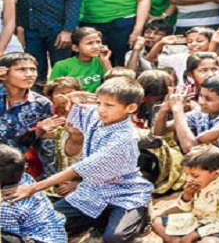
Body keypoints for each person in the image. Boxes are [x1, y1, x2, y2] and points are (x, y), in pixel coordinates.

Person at [4, 77, 154, 242]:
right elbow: (63, 101)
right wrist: (73, 97)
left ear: (130, 108)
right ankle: (99, 220)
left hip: (125, 192)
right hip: (91, 191)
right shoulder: (97, 115)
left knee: (115, 237)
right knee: (47, 222)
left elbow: (78, 169)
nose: (101, 109)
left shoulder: (124, 137)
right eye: (99, 103)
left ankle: (140, 215)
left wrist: (33, 188)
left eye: (109, 105)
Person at [150, 145, 219, 242]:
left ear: (216, 174)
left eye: (195, 175)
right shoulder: (198, 184)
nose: (189, 179)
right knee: (157, 223)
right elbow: (186, 209)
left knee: (209, 242)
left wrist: (196, 233)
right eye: (187, 174)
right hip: (199, 221)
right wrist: (187, 196)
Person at [0, 52, 57, 179]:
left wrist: (51, 178)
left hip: (16, 169)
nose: (30, 75)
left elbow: (45, 145)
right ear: (3, 74)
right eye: (21, 70)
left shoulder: (41, 104)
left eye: (33, 69)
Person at [155, 74, 219, 153]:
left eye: (208, 99)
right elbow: (159, 132)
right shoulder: (201, 112)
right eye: (200, 95)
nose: (201, 102)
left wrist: (178, 111)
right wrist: (164, 109)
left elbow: (191, 150)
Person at [0, 144, 67, 243]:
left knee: (5, 237)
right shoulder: (26, 178)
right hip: (56, 233)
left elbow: (12, 238)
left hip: (40, 240)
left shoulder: (6, 206)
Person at [49, 27, 112, 93]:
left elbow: (115, 83)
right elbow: (52, 91)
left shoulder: (100, 61)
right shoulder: (62, 65)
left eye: (98, 42)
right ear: (75, 48)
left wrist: (105, 61)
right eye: (89, 43)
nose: (96, 46)